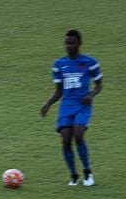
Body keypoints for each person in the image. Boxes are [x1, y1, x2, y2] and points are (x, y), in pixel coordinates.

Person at [40, 29, 103, 186]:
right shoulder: (59, 65)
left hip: (82, 105)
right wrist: (48, 103)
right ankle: (74, 175)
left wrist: (90, 95)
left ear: (79, 44)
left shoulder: (89, 62)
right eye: (66, 43)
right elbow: (59, 91)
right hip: (66, 106)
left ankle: (88, 172)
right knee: (66, 139)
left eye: (71, 43)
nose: (68, 46)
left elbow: (99, 85)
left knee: (78, 134)